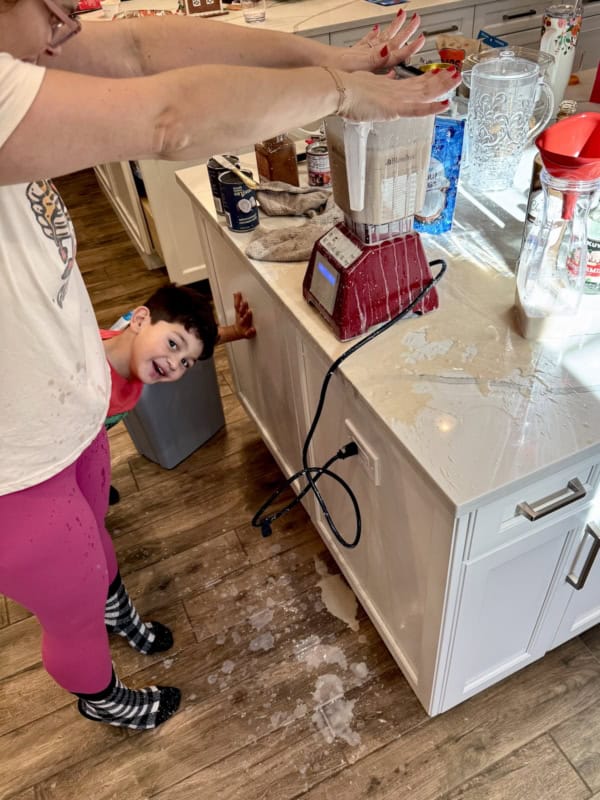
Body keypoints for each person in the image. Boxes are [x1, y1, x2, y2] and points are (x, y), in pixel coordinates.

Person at [0, 0, 461, 731]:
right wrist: (341, 92)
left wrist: (331, 63)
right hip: (12, 468)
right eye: (50, 5)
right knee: (72, 594)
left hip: (66, 417)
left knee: (95, 539)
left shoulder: (24, 47)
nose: (68, 17)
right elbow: (167, 116)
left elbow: (142, 47)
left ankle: (112, 604)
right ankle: (102, 695)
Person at [103, 286, 255, 504]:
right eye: (172, 344)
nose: (175, 364)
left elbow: (193, 342)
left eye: (186, 363)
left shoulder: (136, 337)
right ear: (138, 321)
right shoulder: (87, 376)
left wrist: (236, 331)